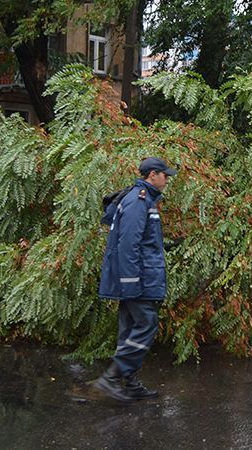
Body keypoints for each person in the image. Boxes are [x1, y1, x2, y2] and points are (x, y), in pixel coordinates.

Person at [94, 157, 177, 402]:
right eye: (165, 174)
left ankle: (128, 383)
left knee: (130, 329)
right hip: (137, 282)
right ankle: (110, 379)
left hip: (139, 279)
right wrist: (130, 284)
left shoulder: (144, 199)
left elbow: (143, 242)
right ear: (153, 175)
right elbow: (128, 245)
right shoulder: (138, 200)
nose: (167, 179)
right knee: (146, 325)